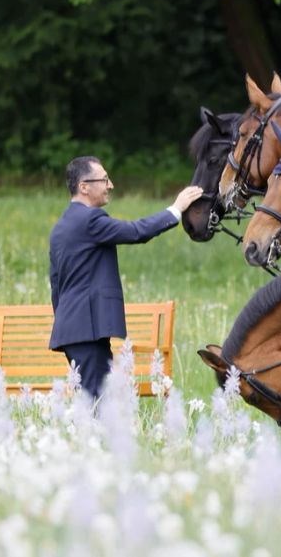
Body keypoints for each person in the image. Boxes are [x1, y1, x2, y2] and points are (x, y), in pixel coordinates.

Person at [48, 156, 203, 399]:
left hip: (75, 329)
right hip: (86, 329)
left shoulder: (61, 226)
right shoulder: (90, 220)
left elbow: (56, 285)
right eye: (104, 179)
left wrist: (68, 322)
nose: (110, 185)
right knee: (97, 404)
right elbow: (136, 232)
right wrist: (176, 209)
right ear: (84, 187)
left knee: (96, 398)